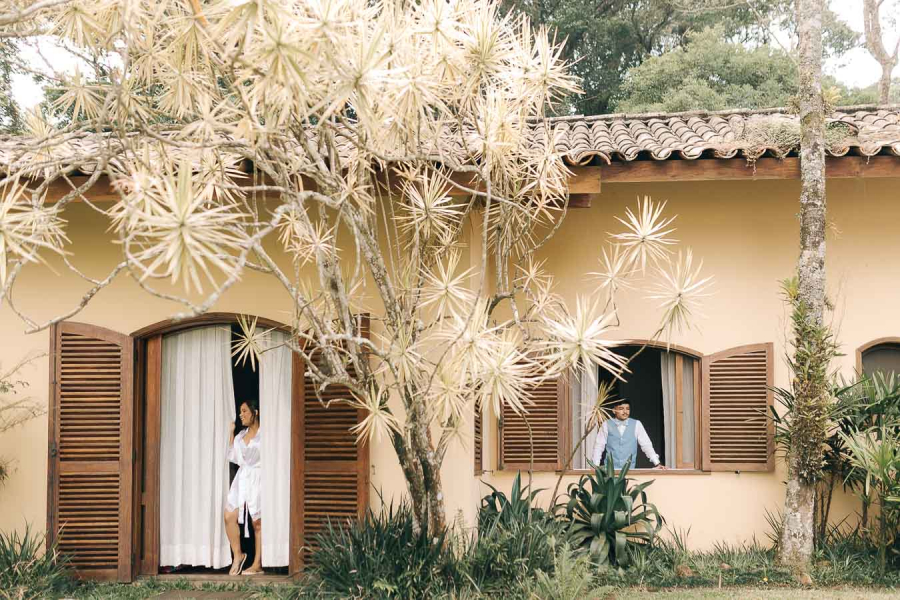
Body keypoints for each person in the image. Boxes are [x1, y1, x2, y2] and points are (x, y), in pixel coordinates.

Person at [224, 400, 263, 576]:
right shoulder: (241, 436)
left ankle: (257, 564)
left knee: (257, 522)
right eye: (240, 411)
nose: (241, 415)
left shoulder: (264, 434)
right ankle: (238, 555)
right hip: (243, 478)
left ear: (256, 412)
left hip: (259, 477)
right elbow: (233, 456)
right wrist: (231, 433)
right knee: (229, 516)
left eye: (245, 411)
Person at [591, 399, 667, 470]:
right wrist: (595, 465)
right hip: (609, 470)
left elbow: (646, 445)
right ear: (614, 410)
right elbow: (599, 446)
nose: (625, 411)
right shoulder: (606, 424)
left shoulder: (637, 424)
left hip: (629, 470)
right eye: (621, 409)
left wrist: (657, 463)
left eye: (627, 409)